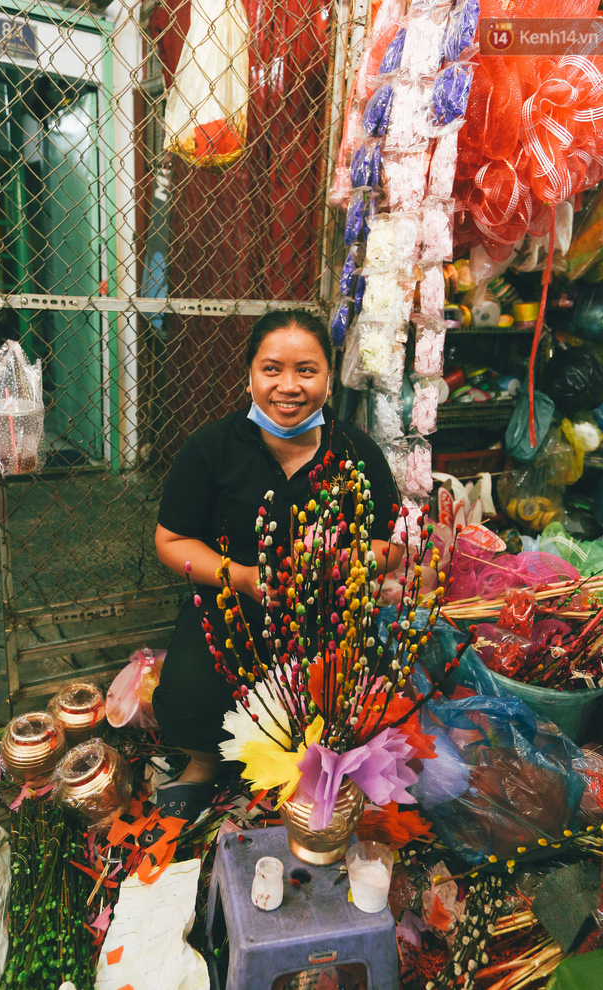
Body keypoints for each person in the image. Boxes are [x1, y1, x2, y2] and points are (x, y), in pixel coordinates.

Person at [152, 309, 404, 819]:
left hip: (328, 612)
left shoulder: (354, 451)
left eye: (306, 370)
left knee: (348, 696)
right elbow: (172, 540)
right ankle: (202, 765)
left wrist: (341, 564)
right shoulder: (211, 448)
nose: (288, 386)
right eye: (272, 369)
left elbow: (391, 543)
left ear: (328, 380)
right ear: (249, 375)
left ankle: (313, 767)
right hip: (230, 605)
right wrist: (240, 577)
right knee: (192, 687)